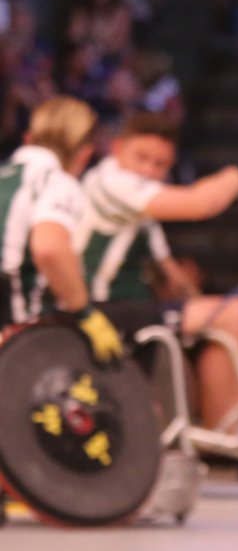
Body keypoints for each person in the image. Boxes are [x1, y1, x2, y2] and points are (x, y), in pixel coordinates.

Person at [76, 110, 238, 428]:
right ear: (116, 148)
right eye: (141, 158)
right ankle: (223, 441)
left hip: (133, 308)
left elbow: (171, 276)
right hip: (100, 309)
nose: (148, 170)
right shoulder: (112, 182)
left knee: (222, 317)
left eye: (160, 164)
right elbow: (202, 203)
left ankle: (210, 432)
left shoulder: (140, 209)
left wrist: (198, 299)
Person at [0, 95, 123, 363]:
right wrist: (85, 312)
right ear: (85, 153)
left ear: (28, 138)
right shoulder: (56, 182)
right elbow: (49, 248)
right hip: (13, 334)